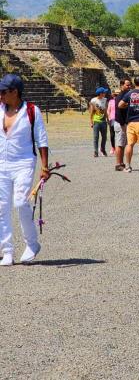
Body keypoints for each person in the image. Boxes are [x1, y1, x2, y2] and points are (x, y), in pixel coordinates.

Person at [0, 74, 50, 266]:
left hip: (23, 162)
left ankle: (32, 244)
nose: (0, 95)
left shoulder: (31, 110)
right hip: (2, 164)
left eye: (3, 92)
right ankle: (7, 251)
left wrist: (45, 166)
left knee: (20, 202)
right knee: (1, 207)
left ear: (15, 92)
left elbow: (42, 139)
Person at [112, 79, 132, 171]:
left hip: (124, 123)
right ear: (121, 85)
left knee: (123, 144)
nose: (129, 87)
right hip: (121, 123)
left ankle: (121, 162)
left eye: (130, 85)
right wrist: (122, 124)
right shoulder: (120, 96)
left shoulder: (126, 95)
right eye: (127, 85)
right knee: (120, 144)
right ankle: (118, 163)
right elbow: (118, 112)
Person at [89, 87, 109, 158]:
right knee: (96, 137)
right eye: (104, 92)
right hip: (96, 121)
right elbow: (91, 112)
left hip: (103, 121)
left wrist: (108, 120)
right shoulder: (93, 100)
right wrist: (91, 122)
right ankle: (96, 151)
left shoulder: (105, 100)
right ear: (100, 93)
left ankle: (102, 149)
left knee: (104, 137)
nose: (105, 93)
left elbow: (106, 111)